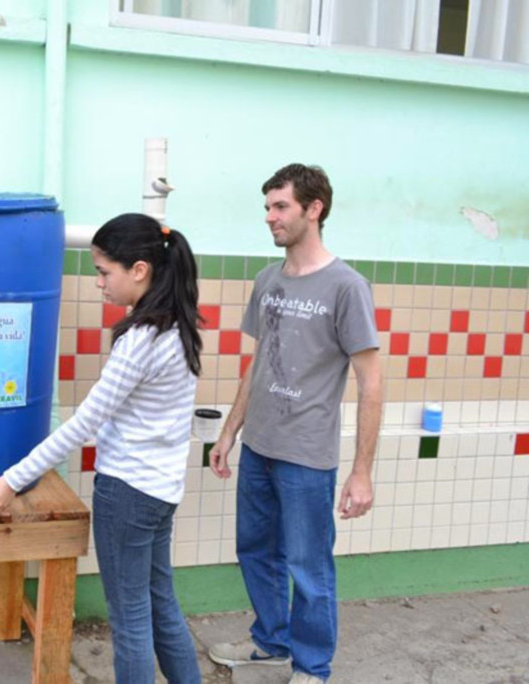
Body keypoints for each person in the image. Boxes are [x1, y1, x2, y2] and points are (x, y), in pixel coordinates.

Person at [0, 213, 205, 683]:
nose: (99, 282)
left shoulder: (141, 339)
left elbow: (84, 422)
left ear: (139, 270)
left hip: (127, 494)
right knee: (160, 603)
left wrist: (13, 479)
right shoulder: (179, 327)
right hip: (160, 492)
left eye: (105, 272)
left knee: (130, 620)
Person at [207, 164, 383, 684]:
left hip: (307, 455)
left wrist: (362, 471)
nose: (270, 217)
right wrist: (230, 431)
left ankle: (312, 669)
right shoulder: (268, 280)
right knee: (256, 551)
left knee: (309, 569)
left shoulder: (347, 287)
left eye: (280, 207)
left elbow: (371, 382)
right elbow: (259, 363)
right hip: (260, 446)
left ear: (314, 209)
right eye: (267, 207)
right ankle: (269, 644)